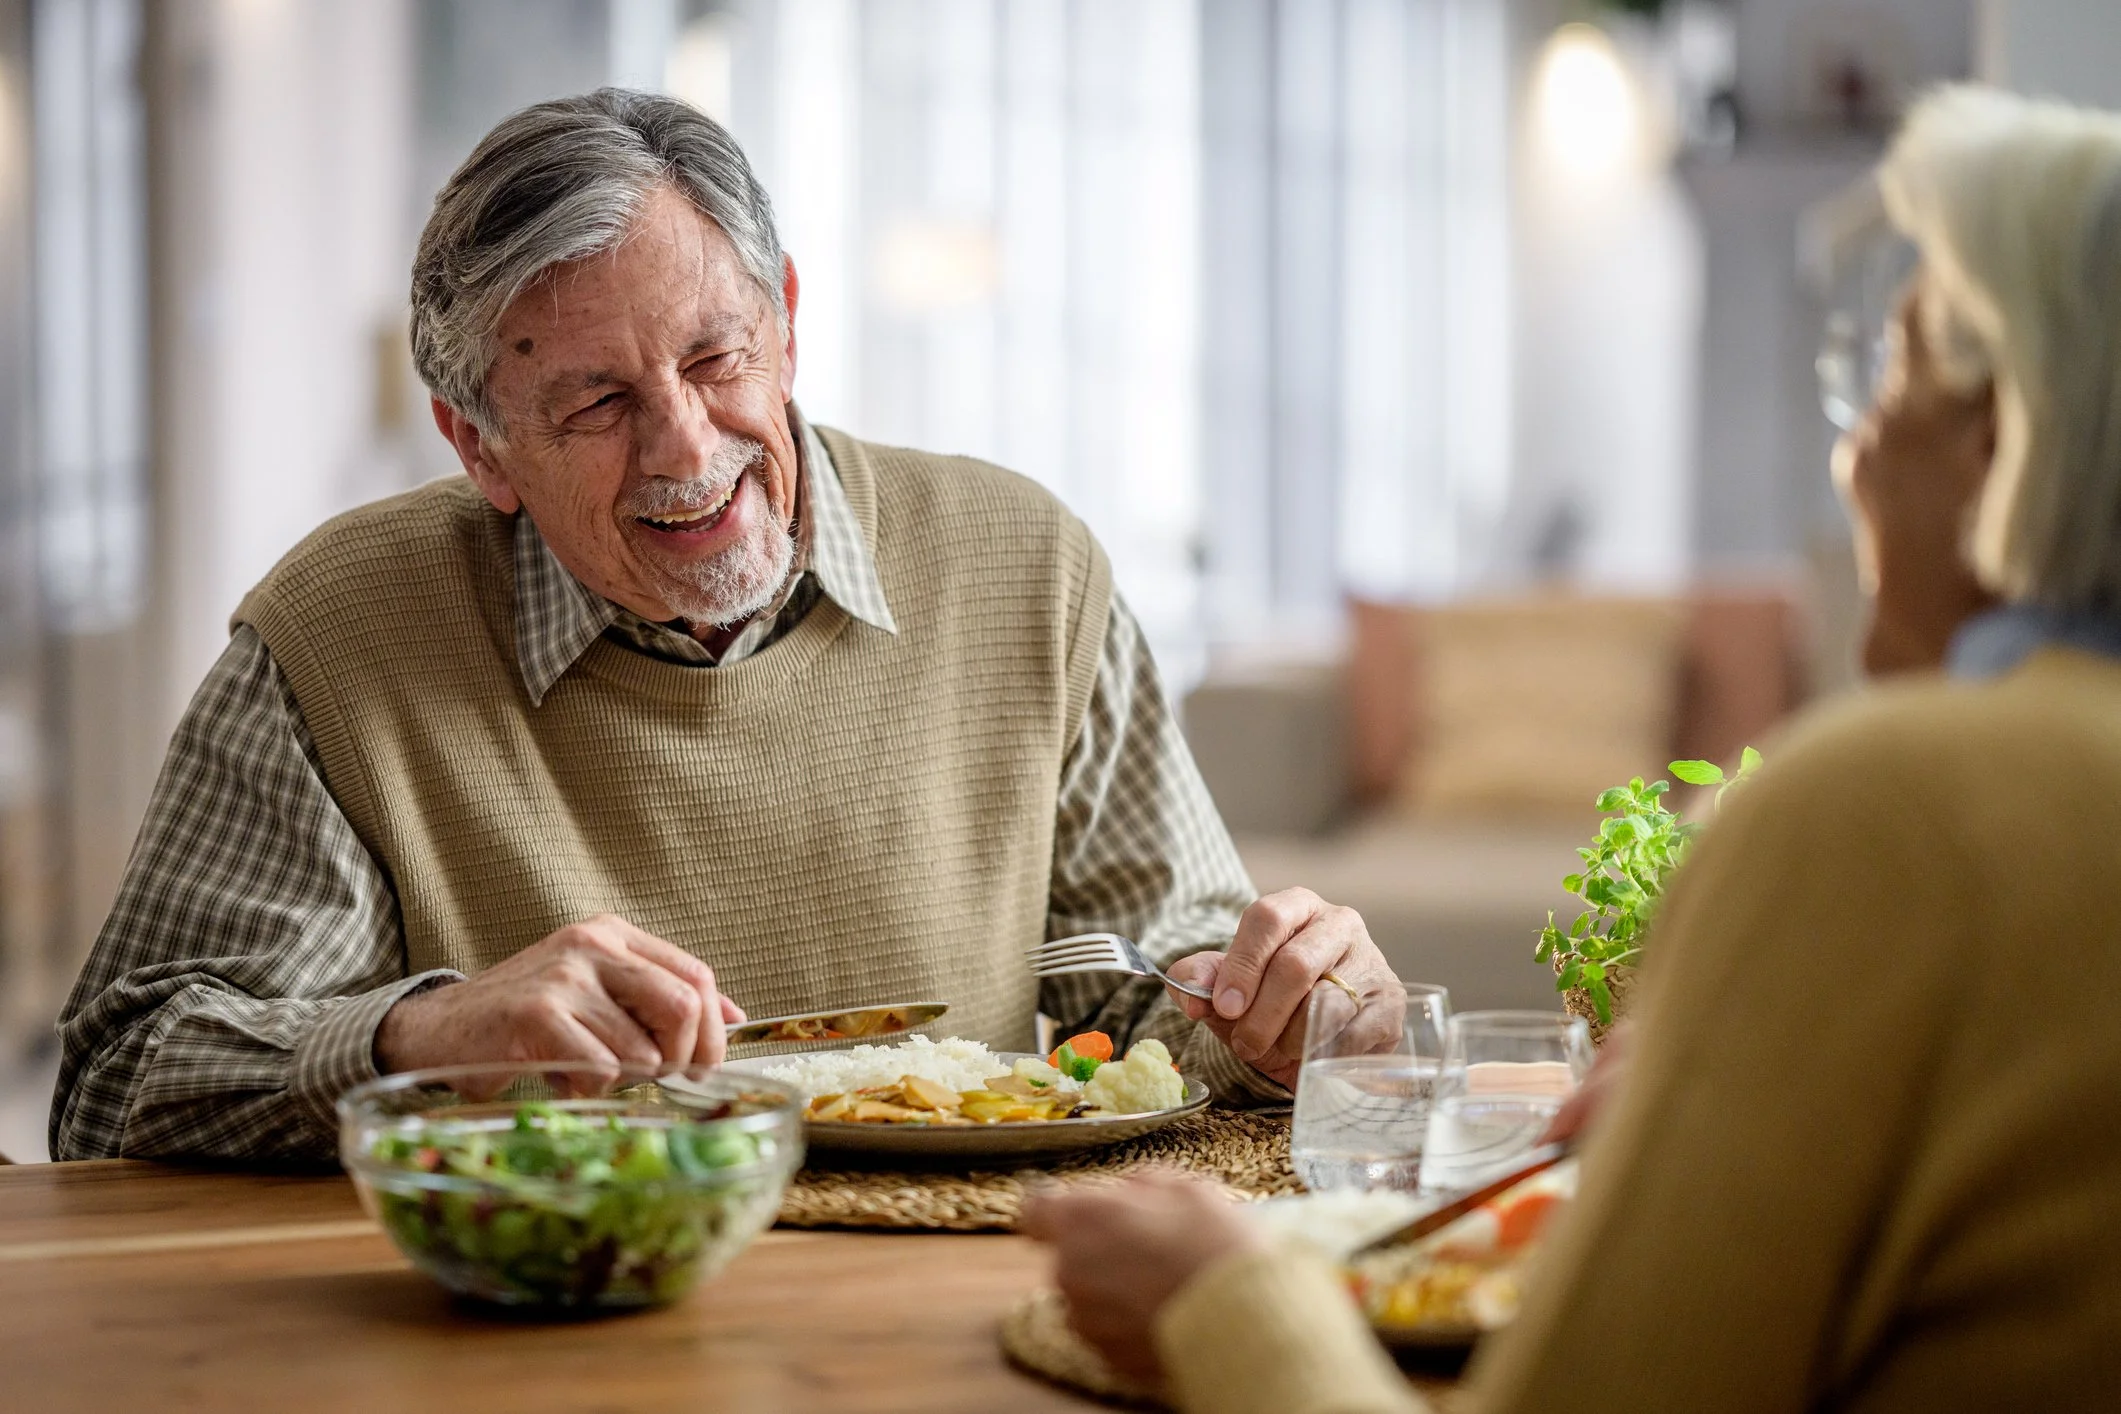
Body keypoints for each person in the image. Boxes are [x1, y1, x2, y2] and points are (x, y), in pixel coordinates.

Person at [1025, 84, 2121, 1412]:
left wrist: (1224, 1299)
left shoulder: (1888, 807)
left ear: (2009, 446)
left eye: (1890, 377)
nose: (1853, 459)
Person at [49, 89, 1399, 1161]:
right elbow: (116, 1086)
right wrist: (423, 1034)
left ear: (790, 321)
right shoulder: (340, 635)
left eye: (716, 357)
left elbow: (1156, 1000)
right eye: (593, 404)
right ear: (481, 444)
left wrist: (1289, 1015)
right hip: (528, 1321)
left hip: (944, 1314)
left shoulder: (1024, 567)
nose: (687, 447)